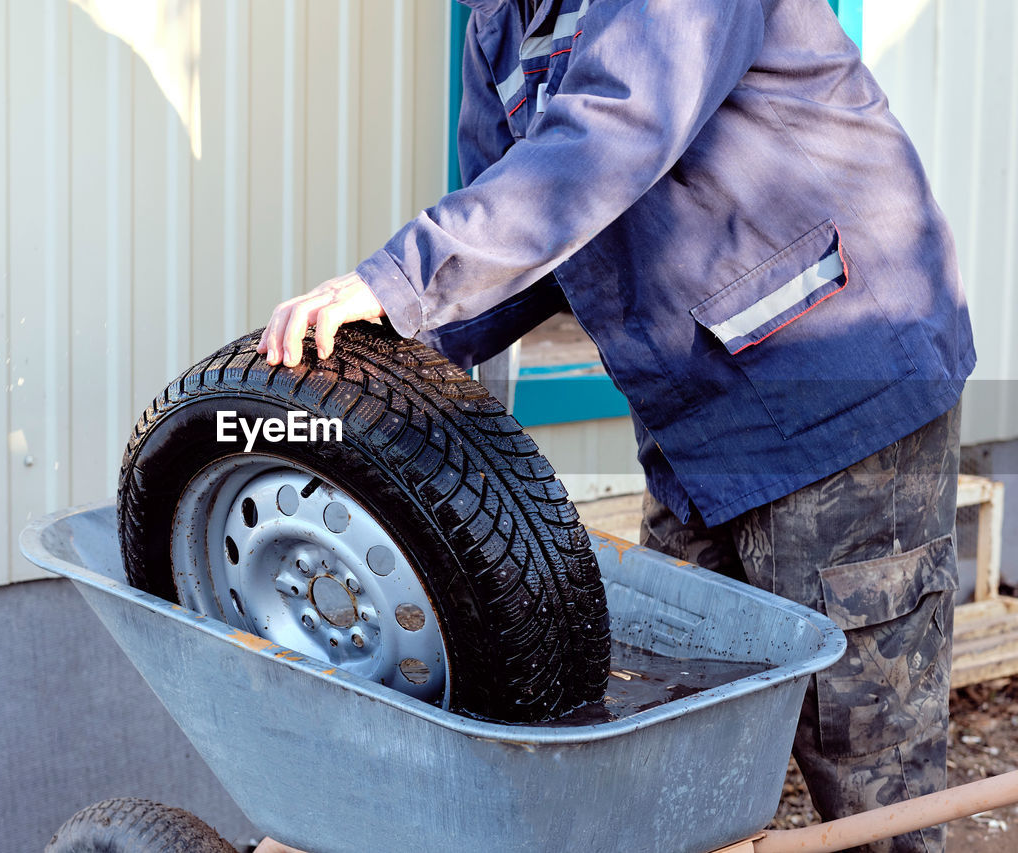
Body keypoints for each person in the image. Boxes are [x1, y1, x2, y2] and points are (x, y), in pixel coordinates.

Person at [258, 1, 974, 850]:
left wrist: (400, 277)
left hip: (841, 381)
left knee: (863, 761)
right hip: (696, 420)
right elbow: (525, 226)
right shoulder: (500, 19)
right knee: (669, 739)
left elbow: (613, 128)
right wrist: (380, 356)